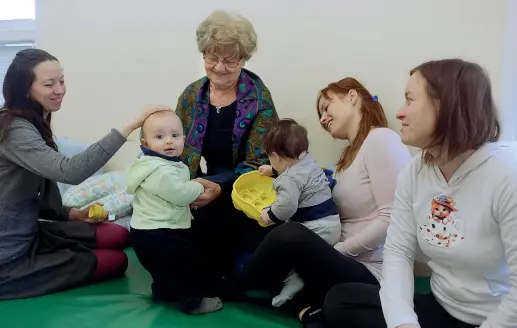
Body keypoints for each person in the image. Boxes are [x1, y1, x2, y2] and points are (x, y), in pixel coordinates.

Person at [316, 59, 517, 328]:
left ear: (447, 103)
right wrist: (403, 322)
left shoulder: (505, 174)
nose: (399, 113)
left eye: (410, 100)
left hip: (498, 317)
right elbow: (398, 251)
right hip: (442, 306)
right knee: (341, 301)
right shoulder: (414, 172)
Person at [0, 48, 171, 300]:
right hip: (9, 257)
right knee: (117, 261)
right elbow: (70, 171)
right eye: (49, 84)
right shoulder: (14, 129)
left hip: (31, 230)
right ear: (26, 89)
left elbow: (27, 193)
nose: (60, 89)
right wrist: (130, 127)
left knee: (119, 234)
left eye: (62, 80)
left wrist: (70, 213)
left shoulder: (36, 119)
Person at [240, 77, 411, 324]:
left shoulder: (381, 139)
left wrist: (340, 250)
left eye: (326, 107)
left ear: (352, 97)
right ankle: (303, 305)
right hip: (341, 256)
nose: (322, 119)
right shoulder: (349, 156)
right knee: (258, 225)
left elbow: (393, 217)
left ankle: (233, 288)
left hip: (371, 269)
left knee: (290, 233)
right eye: (320, 114)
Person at [175, 10, 278, 292]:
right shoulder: (190, 96)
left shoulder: (258, 98)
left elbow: (259, 161)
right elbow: (178, 153)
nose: (219, 67)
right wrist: (186, 189)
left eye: (230, 60)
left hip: (246, 187)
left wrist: (218, 187)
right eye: (212, 57)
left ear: (243, 59)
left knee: (221, 230)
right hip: (200, 185)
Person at [127, 110, 222, 314]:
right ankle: (193, 302)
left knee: (164, 268)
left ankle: (162, 291)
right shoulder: (159, 170)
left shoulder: (155, 164)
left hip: (146, 233)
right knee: (185, 265)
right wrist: (197, 186)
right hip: (161, 233)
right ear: (145, 143)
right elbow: (179, 194)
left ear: (184, 139)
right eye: (160, 137)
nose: (169, 141)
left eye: (175, 135)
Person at [258, 119, 341, 307]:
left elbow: (286, 207)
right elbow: (297, 172)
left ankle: (293, 282)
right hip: (332, 224)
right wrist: (273, 170)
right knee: (306, 260)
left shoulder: (289, 179)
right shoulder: (308, 161)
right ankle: (299, 280)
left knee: (286, 253)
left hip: (315, 228)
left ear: (275, 156)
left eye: (270, 159)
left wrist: (268, 215)